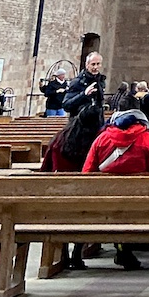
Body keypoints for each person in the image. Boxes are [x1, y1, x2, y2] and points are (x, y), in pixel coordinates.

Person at [82, 109, 149, 270]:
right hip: (140, 202)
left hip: (106, 202)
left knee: (117, 210)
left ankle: (122, 247)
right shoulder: (148, 139)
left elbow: (87, 172)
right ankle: (125, 248)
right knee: (130, 210)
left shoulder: (102, 139)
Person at [40, 105, 104, 269]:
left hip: (60, 191)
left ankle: (64, 253)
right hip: (87, 192)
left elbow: (46, 166)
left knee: (65, 213)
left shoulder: (61, 137)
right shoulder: (97, 140)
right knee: (88, 213)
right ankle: (76, 252)